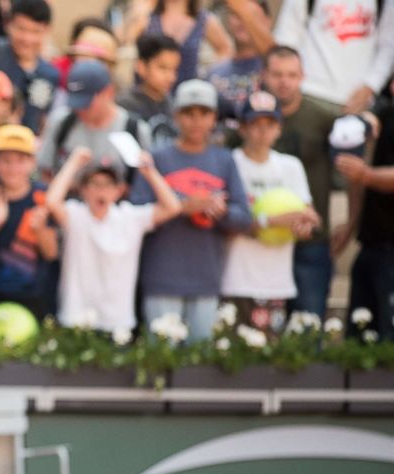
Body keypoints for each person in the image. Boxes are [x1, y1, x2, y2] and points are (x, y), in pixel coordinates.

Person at [130, 79, 251, 341]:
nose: (196, 121)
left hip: (206, 277)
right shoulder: (157, 158)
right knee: (161, 360)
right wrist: (182, 207)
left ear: (214, 118)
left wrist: (219, 211)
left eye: (204, 113)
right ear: (176, 116)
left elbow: (244, 218)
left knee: (199, 367)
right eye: (188, 113)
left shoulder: (224, 159)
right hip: (162, 276)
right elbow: (135, 213)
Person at [45, 145, 181, 333]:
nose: (101, 191)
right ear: (83, 190)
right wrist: (73, 163)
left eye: (108, 185)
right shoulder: (76, 215)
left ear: (119, 190)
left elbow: (172, 207)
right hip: (76, 318)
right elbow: (52, 202)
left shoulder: (131, 217)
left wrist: (150, 172)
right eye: (95, 184)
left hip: (118, 322)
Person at [221, 91, 319, 337]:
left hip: (276, 280)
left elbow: (312, 218)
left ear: (279, 128)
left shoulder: (290, 166)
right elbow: (224, 220)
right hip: (235, 278)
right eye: (255, 124)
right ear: (242, 128)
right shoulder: (228, 163)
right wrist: (272, 221)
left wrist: (304, 226)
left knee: (270, 360)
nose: (262, 131)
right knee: (232, 358)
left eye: (270, 124)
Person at [260, 45, 341, 319]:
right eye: (277, 74)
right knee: (262, 332)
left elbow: (354, 145)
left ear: (302, 76)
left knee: (308, 325)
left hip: (310, 240)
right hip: (263, 241)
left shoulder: (323, 117)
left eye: (292, 75)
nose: (284, 81)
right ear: (264, 75)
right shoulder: (252, 118)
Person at [0, 124, 58, 318]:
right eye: (5, 160)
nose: (13, 168)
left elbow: (51, 253)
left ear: (33, 162)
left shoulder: (43, 197)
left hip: (33, 296)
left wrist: (40, 228)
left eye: (21, 160)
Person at [332, 82, 394, 340]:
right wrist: (350, 224)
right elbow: (358, 171)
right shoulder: (382, 115)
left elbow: (362, 173)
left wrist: (366, 175)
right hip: (371, 242)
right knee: (360, 337)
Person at [38, 60, 152, 184]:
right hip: (66, 200)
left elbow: (143, 184)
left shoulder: (134, 128)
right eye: (75, 102)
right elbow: (44, 173)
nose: (79, 109)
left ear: (108, 92)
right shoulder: (61, 122)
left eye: (86, 103)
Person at [273, 0, 394, 114]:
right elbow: (287, 36)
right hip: (308, 93)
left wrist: (371, 85)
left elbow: (389, 46)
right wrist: (290, 84)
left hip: (359, 102)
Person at [0, 0, 59, 133]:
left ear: (46, 30)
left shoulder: (50, 74)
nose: (27, 39)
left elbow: (43, 120)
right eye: (21, 29)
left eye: (36, 31)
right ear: (8, 25)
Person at [126, 0, 233, 85]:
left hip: (187, 94)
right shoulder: (148, 16)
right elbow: (126, 45)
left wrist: (209, 75)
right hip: (150, 96)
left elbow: (225, 49)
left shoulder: (203, 20)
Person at [203, 0, 272, 123]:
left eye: (251, 16)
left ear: (267, 22)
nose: (243, 22)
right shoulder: (213, 72)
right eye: (236, 15)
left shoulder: (274, 70)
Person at [117, 33, 180, 147]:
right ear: (141, 66)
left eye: (174, 69)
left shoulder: (172, 103)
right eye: (163, 68)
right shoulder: (126, 105)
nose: (171, 77)